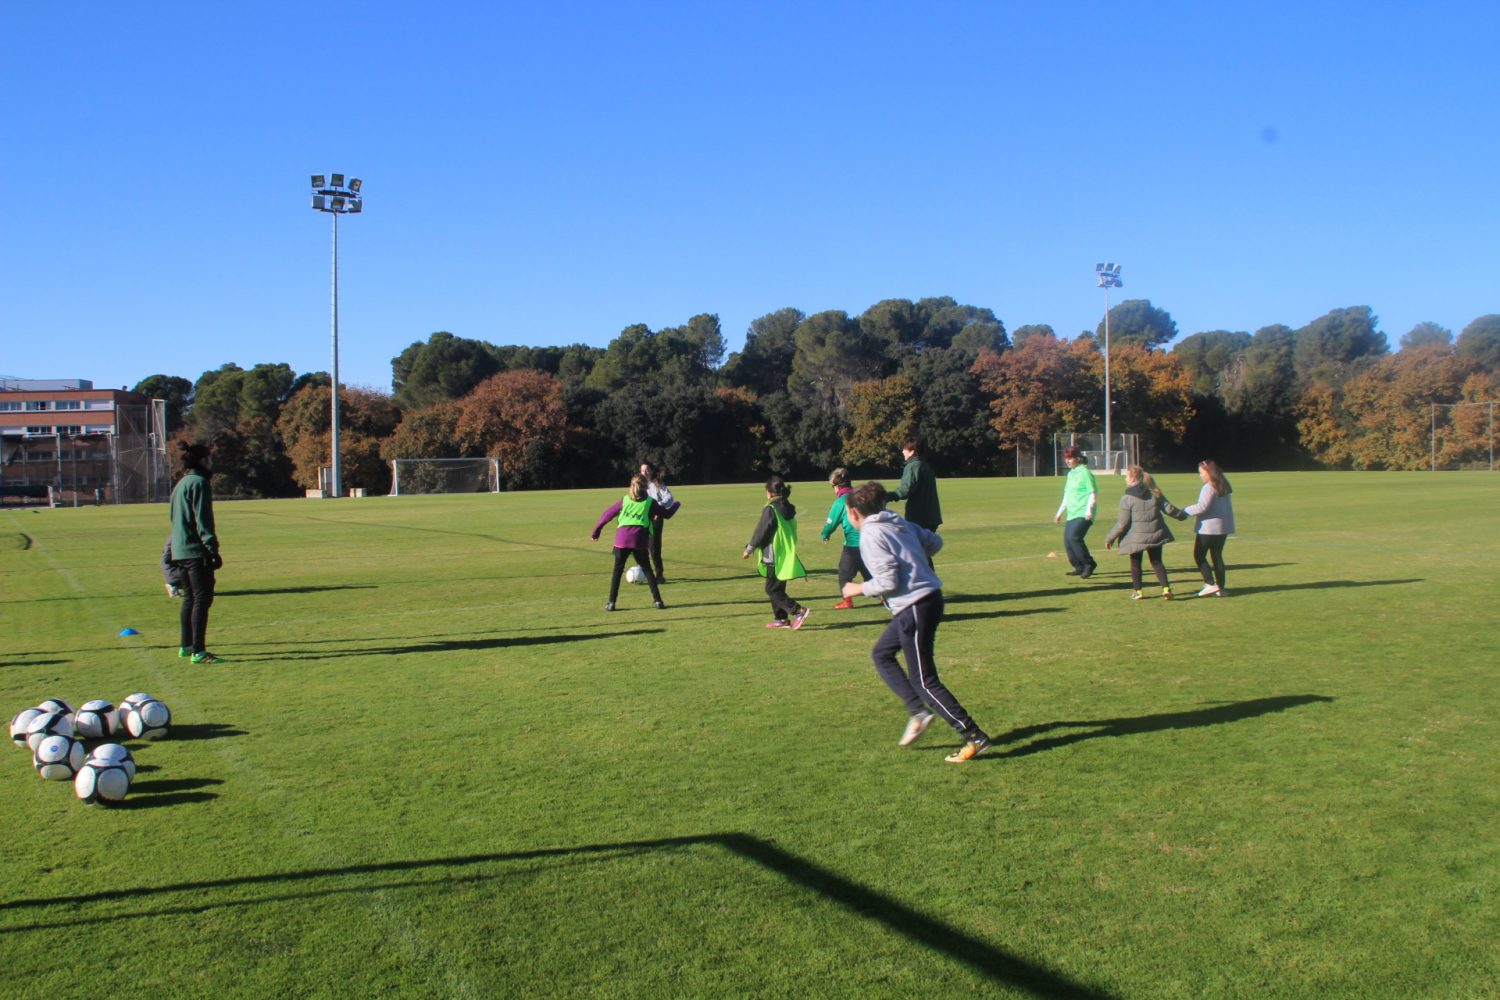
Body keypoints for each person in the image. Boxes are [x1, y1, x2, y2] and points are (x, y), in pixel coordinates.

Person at [841, 482, 991, 763]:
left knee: (924, 680)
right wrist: (914, 560)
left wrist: (856, 589)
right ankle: (918, 712)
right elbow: (935, 542)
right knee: (882, 653)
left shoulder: (871, 534)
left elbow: (888, 581)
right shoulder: (898, 521)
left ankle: (973, 736)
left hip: (915, 606)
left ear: (853, 513)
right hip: (927, 599)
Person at [169, 441, 224, 664]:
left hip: (179, 549)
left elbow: (173, 517)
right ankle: (198, 651)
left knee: (189, 598)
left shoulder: (181, 483)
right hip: (194, 550)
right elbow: (204, 520)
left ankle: (186, 645)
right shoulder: (200, 483)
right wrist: (212, 548)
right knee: (202, 599)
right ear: (203, 461)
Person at [593, 473, 677, 611]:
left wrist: (596, 530)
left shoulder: (625, 500)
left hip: (621, 540)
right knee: (648, 570)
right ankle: (658, 602)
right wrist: (676, 504)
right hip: (639, 540)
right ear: (646, 487)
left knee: (617, 571)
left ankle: (611, 603)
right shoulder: (650, 502)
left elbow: (607, 515)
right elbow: (667, 514)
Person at [1103, 466, 1187, 600]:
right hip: (1155, 533)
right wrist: (1182, 515)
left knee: (1135, 563)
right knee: (1157, 561)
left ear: (1132, 478)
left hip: (1136, 537)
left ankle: (1138, 591)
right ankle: (1166, 588)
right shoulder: (1154, 493)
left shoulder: (1126, 498)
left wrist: (1109, 538)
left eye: (1126, 476)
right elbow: (1169, 509)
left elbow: (1122, 523)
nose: (1125, 478)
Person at [741, 476, 810, 629]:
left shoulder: (771, 509)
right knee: (777, 589)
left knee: (771, 589)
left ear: (770, 493)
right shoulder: (786, 507)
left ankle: (799, 610)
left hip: (773, 554)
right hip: (783, 554)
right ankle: (781, 619)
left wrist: (749, 548)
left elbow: (761, 531)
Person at [821, 467, 871, 609]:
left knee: (844, 574)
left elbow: (831, 522)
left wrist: (825, 534)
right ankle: (886, 598)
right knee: (870, 573)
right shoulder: (862, 496)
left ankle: (847, 601)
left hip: (853, 545)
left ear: (837, 486)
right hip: (870, 542)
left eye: (833, 486)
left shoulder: (840, 502)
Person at [1184, 459, 1235, 597]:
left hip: (1208, 528)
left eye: (1201, 472)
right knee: (1217, 556)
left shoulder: (1208, 487)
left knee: (1199, 555)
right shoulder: (1223, 485)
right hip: (1222, 528)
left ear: (1208, 472)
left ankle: (1210, 584)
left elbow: (1202, 507)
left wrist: (1184, 511)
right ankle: (1221, 588)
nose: (1200, 475)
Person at [1054, 445, 1098, 578]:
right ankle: (1078, 566)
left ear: (1078, 458)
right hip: (1072, 513)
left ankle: (1089, 564)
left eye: (1070, 458)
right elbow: (1067, 495)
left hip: (1083, 512)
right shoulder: (1071, 474)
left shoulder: (1085, 472)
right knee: (1067, 540)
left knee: (1074, 538)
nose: (1067, 461)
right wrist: (1059, 512)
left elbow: (1093, 492)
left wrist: (1089, 510)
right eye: (1066, 458)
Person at [886, 436, 942, 532]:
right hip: (932, 517)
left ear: (912, 451)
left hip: (919, 518)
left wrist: (886, 496)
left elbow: (905, 490)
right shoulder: (925, 465)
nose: (903, 451)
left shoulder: (913, 466)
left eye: (905, 449)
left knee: (912, 546)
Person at [639, 462, 675, 585]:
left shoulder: (658, 484)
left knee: (654, 548)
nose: (645, 472)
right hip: (640, 520)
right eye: (642, 470)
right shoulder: (637, 485)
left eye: (647, 470)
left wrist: (657, 507)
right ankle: (642, 572)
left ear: (652, 471)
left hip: (655, 519)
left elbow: (669, 499)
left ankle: (659, 575)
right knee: (639, 548)